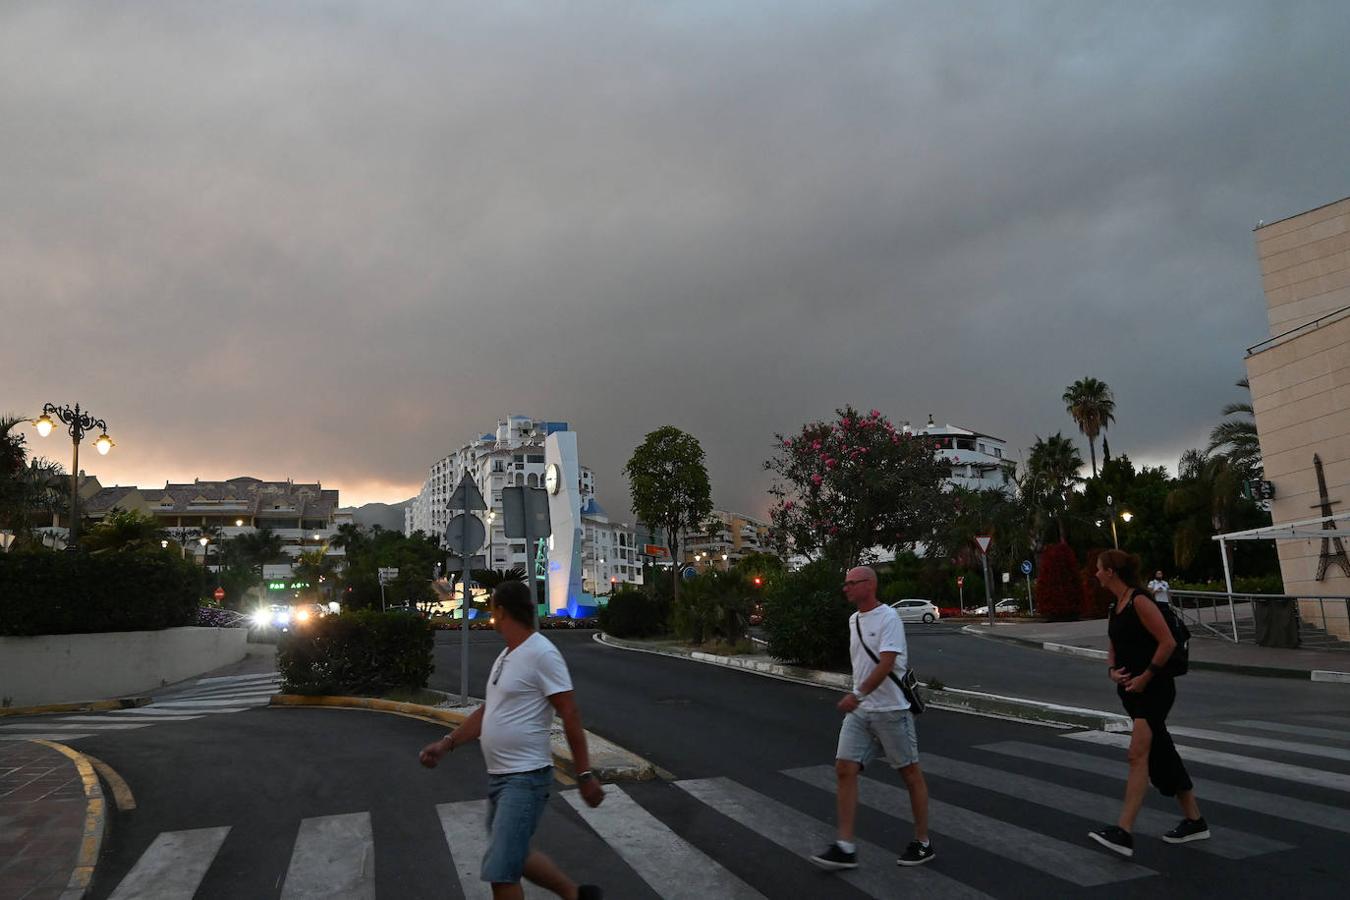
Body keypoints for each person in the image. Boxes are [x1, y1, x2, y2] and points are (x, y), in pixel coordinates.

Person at [420, 581, 605, 900]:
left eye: (492, 608)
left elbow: (570, 713)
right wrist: (447, 743)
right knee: (514, 856)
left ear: (501, 611)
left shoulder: (541, 652)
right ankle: (576, 896)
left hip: (526, 777)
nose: (491, 615)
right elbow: (489, 710)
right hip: (501, 778)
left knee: (500, 869)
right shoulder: (507, 656)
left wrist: (584, 774)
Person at [810, 566, 934, 871]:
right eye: (846, 583)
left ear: (869, 585)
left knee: (910, 774)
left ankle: (923, 843)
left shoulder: (889, 618)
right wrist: (859, 698)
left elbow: (888, 663)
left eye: (852, 583)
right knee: (844, 768)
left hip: (891, 711)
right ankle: (845, 846)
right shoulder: (854, 620)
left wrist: (858, 694)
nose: (846, 588)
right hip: (862, 711)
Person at [1088, 550, 1208, 858]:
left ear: (1112, 571)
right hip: (1130, 692)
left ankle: (1124, 832)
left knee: (1137, 754)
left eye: (1099, 569)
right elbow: (1114, 645)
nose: (1096, 574)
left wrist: (1145, 676)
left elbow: (1167, 642)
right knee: (1161, 754)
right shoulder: (1116, 605)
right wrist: (1112, 670)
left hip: (1154, 690)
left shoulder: (1140, 600)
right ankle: (1195, 820)